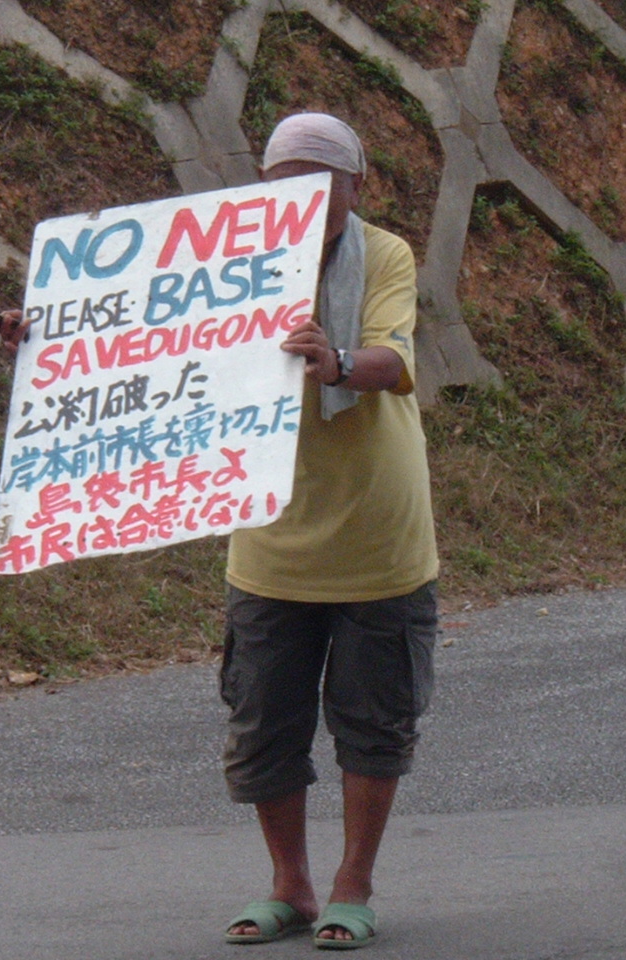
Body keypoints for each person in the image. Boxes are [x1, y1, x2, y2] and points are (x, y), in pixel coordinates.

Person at [219, 112, 439, 950]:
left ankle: (353, 883)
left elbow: (393, 356)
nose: (306, 198)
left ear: (359, 184)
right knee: (263, 724)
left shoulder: (384, 255)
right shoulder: (230, 257)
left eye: (324, 181)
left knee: (373, 724)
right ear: (264, 186)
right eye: (286, 182)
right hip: (268, 540)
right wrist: (53, 332)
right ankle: (290, 886)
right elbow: (144, 336)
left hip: (378, 539)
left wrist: (339, 362)